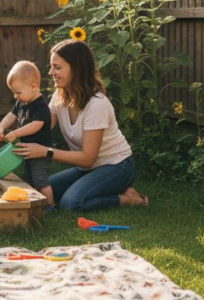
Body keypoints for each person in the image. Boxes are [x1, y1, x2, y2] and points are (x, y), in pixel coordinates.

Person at [13, 39, 148, 210]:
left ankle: (129, 198)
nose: (51, 72)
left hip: (117, 166)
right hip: (87, 169)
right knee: (37, 188)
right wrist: (12, 135)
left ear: (77, 69)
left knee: (71, 203)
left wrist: (45, 152)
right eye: (52, 66)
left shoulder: (96, 105)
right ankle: (90, 187)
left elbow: (88, 159)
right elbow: (42, 128)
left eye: (57, 67)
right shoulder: (60, 96)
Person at [0, 60, 55, 208]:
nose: (15, 96)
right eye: (13, 92)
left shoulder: (40, 105)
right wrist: (1, 127)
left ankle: (50, 205)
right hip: (28, 150)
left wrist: (15, 133)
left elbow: (36, 125)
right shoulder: (22, 102)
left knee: (41, 180)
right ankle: (32, 203)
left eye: (18, 92)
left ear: (33, 87)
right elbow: (11, 115)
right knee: (28, 178)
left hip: (40, 151)